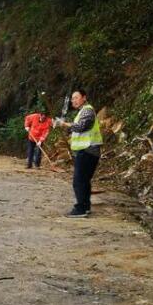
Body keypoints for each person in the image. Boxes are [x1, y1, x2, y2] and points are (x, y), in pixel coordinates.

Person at [55, 89, 103, 217]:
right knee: (84, 180)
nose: (73, 100)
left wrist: (64, 124)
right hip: (87, 151)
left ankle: (80, 209)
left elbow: (81, 127)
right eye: (72, 98)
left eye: (76, 97)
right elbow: (77, 129)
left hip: (87, 150)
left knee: (79, 181)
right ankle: (85, 206)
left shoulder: (87, 110)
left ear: (84, 98)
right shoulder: (82, 111)